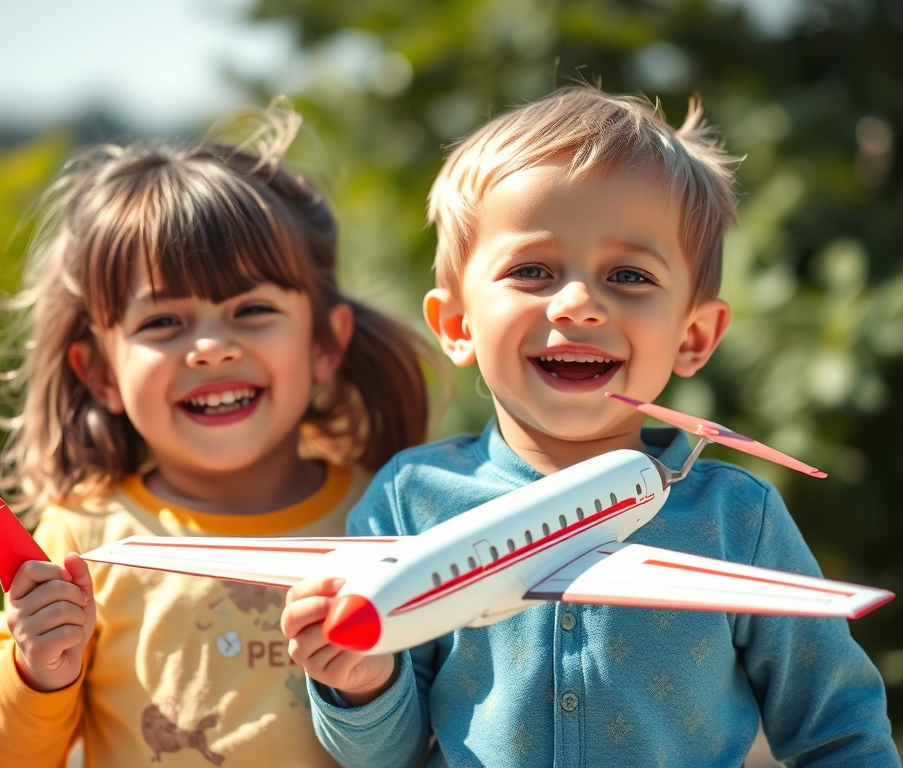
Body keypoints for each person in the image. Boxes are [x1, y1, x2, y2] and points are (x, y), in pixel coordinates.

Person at [281, 87, 899, 767]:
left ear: (693, 335)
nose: (577, 304)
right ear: (457, 326)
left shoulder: (736, 520)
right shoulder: (411, 499)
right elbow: (384, 755)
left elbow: (839, 727)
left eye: (629, 274)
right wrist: (364, 686)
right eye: (532, 271)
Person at [0, 106, 430, 768]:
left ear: (325, 343)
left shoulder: (383, 519)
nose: (210, 348)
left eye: (252, 311)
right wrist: (39, 673)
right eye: (164, 322)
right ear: (101, 373)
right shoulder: (85, 539)